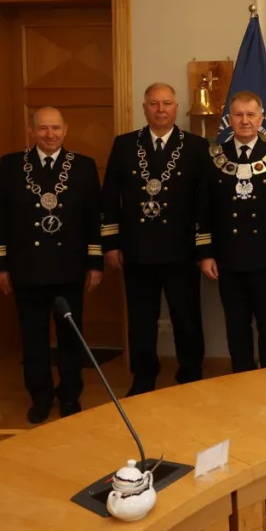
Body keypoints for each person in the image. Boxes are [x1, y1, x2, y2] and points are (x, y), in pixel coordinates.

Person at [0, 107, 103, 423]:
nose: (49, 134)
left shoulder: (83, 166)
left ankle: (70, 395)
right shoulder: (11, 165)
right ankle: (40, 397)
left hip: (70, 268)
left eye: (55, 128)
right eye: (42, 128)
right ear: (31, 131)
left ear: (66, 129)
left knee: (71, 337)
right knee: (33, 338)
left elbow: (94, 219)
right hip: (27, 269)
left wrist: (95, 263)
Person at [101, 83, 209, 396]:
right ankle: (144, 376)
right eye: (154, 104)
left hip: (182, 249)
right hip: (137, 249)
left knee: (186, 316)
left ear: (176, 107)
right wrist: (111, 244)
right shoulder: (124, 145)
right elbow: (110, 198)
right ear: (144, 108)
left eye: (166, 103)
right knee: (141, 318)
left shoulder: (196, 147)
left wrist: (204, 248)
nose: (160, 109)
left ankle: (190, 373)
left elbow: (204, 202)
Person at [196, 91, 266, 371]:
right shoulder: (215, 157)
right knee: (236, 325)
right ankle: (241, 379)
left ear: (261, 119)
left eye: (250, 115)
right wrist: (205, 253)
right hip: (228, 258)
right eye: (238, 115)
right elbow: (203, 209)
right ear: (229, 119)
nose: (244, 121)